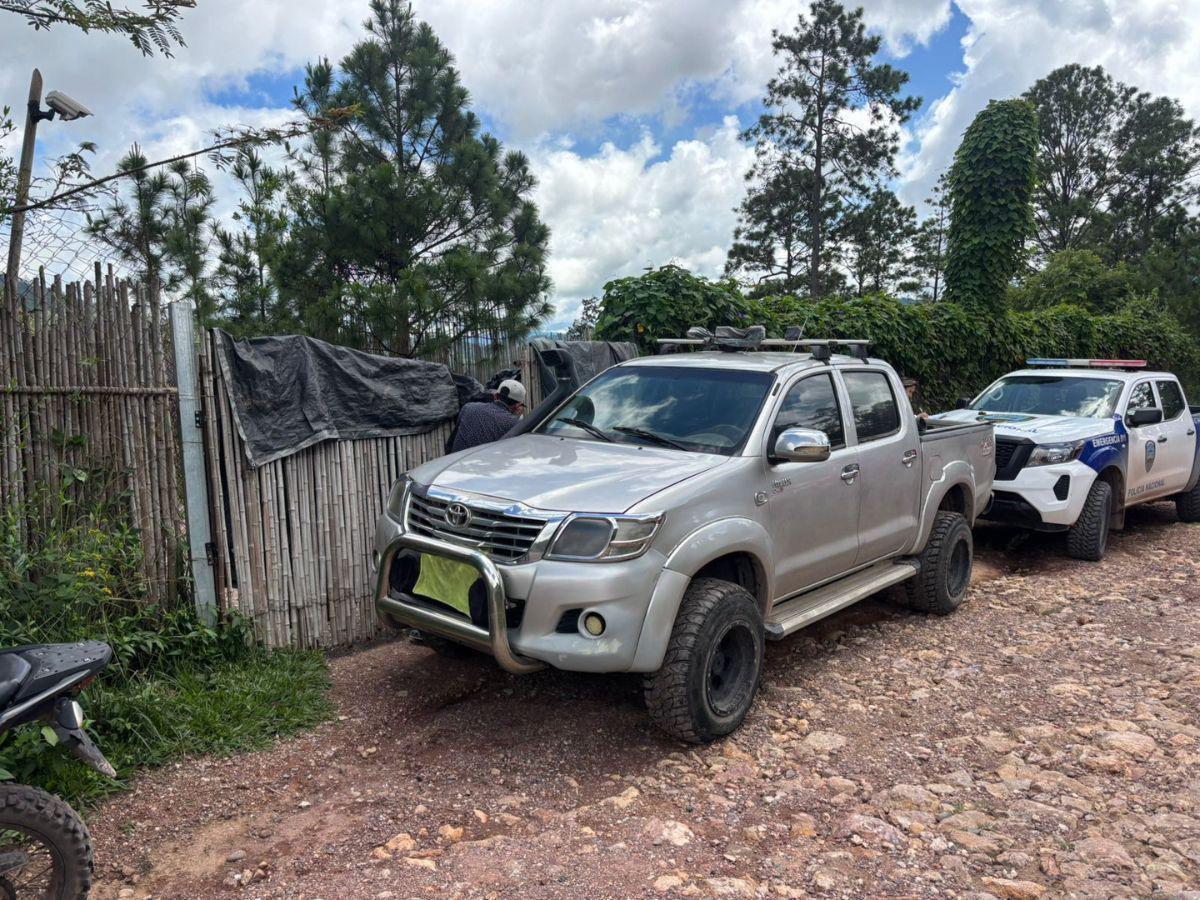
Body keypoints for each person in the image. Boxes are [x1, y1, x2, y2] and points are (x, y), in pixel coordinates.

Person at [448, 379, 527, 452]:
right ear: (517, 406)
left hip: (455, 462)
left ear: (495, 396)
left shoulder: (468, 407)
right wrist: (517, 416)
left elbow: (453, 439)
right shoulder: (514, 423)